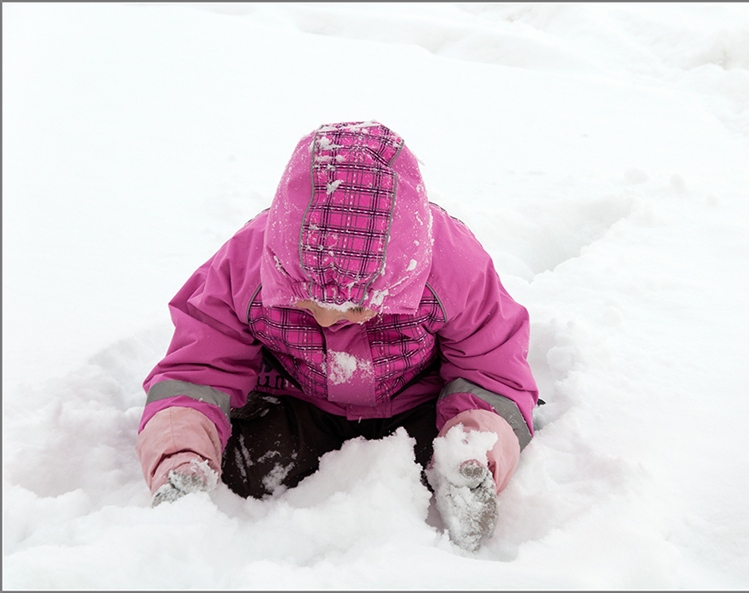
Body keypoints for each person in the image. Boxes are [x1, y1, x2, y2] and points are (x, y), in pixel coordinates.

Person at [136, 120, 539, 551]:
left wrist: (476, 438)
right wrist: (181, 451)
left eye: (357, 309)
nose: (329, 322)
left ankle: (465, 468)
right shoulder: (244, 265)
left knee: (473, 431)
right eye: (308, 304)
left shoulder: (453, 267)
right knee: (245, 467)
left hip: (417, 406)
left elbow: (491, 370)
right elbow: (199, 371)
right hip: (301, 404)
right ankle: (192, 471)